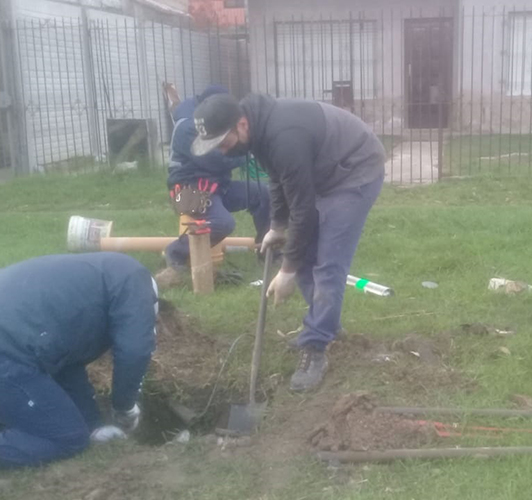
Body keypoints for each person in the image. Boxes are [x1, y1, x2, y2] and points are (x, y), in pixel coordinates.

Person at [191, 93, 385, 392]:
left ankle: (316, 347)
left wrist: (287, 271)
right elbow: (279, 179)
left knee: (328, 262)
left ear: (241, 124)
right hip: (325, 171)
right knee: (306, 253)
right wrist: (278, 226)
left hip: (355, 170)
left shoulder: (284, 135)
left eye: (223, 142)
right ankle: (327, 326)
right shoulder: (259, 130)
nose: (222, 150)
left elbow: (304, 211)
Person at [0, 253, 158, 468]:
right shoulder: (135, 286)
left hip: (14, 336)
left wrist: (93, 425)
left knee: (77, 427)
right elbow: (134, 350)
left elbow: (66, 362)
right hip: (8, 348)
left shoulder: (106, 279)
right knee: (68, 438)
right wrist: (125, 407)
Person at [156, 85, 271, 287]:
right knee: (223, 222)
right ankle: (176, 251)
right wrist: (248, 151)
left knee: (264, 194)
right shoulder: (187, 129)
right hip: (185, 193)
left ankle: (267, 251)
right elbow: (218, 161)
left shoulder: (205, 125)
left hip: (216, 188)